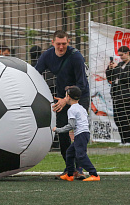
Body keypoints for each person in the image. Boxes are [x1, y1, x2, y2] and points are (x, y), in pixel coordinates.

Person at [35, 30, 90, 180]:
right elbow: (35, 73)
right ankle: (69, 169)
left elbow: (82, 85)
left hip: (80, 97)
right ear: (52, 43)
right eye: (58, 44)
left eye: (64, 44)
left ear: (68, 42)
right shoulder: (47, 55)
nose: (61, 47)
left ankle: (80, 169)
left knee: (79, 132)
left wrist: (67, 100)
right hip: (61, 98)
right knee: (62, 132)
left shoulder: (76, 57)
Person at [53, 86, 100, 181]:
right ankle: (69, 175)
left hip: (81, 135)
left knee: (81, 156)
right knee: (70, 153)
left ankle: (94, 175)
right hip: (85, 134)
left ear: (69, 97)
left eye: (65, 96)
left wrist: (58, 130)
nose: (64, 98)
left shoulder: (72, 109)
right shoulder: (81, 108)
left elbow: (71, 125)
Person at [105, 46, 130, 146]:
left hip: (127, 96)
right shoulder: (120, 64)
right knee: (118, 118)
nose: (121, 57)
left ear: (128, 53)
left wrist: (117, 68)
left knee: (126, 117)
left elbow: (128, 77)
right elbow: (110, 77)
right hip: (117, 95)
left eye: (122, 55)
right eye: (119, 55)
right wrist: (110, 68)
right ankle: (123, 140)